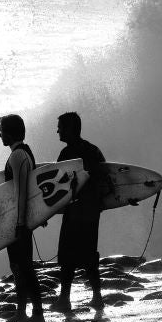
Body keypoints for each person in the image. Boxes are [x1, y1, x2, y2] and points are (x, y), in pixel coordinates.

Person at [54, 112, 105, 311]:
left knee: (67, 255)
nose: (57, 130)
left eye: (60, 127)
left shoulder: (66, 155)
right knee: (89, 254)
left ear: (70, 129)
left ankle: (64, 299)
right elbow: (104, 179)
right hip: (91, 212)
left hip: (74, 211)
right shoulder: (93, 150)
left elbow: (57, 186)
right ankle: (97, 297)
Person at [0, 114, 44, 322]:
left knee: (23, 267)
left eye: (2, 131)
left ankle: (33, 313)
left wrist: (19, 223)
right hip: (23, 220)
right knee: (20, 266)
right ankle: (24, 312)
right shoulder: (26, 152)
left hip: (19, 222)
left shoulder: (17, 155)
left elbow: (21, 193)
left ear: (9, 132)